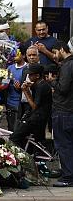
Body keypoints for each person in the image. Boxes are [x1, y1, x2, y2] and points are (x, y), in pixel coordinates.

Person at [46, 41, 73, 187]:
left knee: (64, 144)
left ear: (62, 50)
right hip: (67, 110)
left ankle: (68, 177)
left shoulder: (68, 66)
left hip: (63, 111)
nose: (55, 56)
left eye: (56, 52)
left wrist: (52, 81)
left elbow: (63, 88)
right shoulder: (67, 64)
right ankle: (68, 172)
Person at [10, 63, 51, 148]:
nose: (28, 77)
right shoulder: (39, 84)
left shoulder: (41, 87)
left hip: (37, 119)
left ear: (37, 76)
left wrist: (25, 91)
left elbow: (34, 106)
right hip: (36, 117)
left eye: (30, 75)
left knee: (14, 138)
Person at [6, 46, 27, 131]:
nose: (14, 57)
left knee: (18, 127)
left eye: (17, 55)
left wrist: (20, 88)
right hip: (9, 102)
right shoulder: (10, 68)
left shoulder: (27, 68)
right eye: (13, 55)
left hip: (21, 104)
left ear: (23, 55)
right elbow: (5, 82)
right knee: (10, 127)